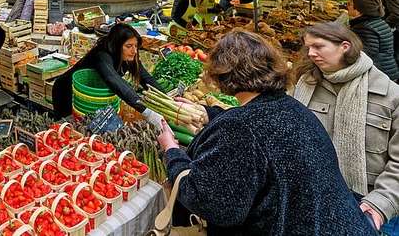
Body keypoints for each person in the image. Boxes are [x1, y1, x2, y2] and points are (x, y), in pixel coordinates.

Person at [156, 30, 376, 235]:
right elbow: (262, 132)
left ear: (222, 73)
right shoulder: (290, 106)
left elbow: (214, 205)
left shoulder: (240, 127)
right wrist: (209, 114)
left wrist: (172, 151)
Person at [293, 23, 399, 233]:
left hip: (373, 209)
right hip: (312, 203)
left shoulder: (389, 95)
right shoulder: (303, 85)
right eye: (308, 48)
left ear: (345, 46)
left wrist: (379, 205)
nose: (311, 54)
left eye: (318, 46)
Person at [52, 23, 165, 126]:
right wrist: (147, 112)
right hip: (66, 92)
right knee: (68, 128)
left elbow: (146, 79)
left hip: (92, 97)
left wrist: (167, 99)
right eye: (129, 46)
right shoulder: (102, 55)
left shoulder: (128, 57)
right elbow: (114, 80)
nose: (134, 51)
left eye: (135, 46)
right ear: (116, 45)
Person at [348, 0, 399, 82]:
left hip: (379, 74)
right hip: (388, 70)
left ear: (359, 10)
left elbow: (367, 53)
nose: (347, 7)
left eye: (350, 5)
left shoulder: (364, 27)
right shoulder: (379, 22)